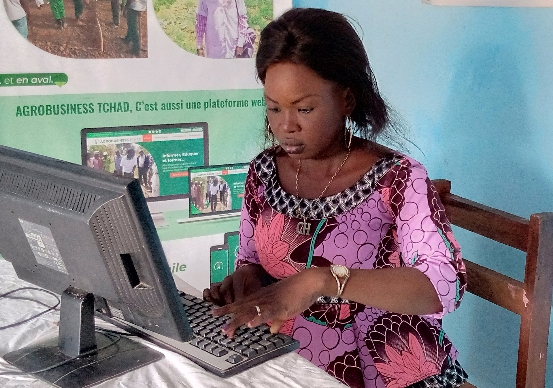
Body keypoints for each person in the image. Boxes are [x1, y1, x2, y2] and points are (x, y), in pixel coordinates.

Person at [204, 8, 468, 388]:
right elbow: (251, 259)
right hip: (289, 368)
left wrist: (322, 281)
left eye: (304, 108)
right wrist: (246, 280)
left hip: (387, 371)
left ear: (346, 99)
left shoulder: (396, 179)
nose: (285, 125)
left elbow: (443, 286)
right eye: (273, 107)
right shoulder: (263, 173)